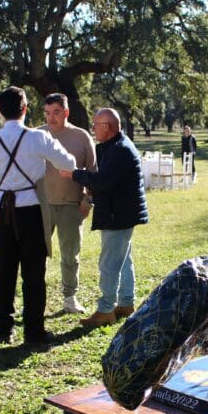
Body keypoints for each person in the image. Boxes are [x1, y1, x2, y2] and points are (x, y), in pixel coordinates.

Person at [0, 87, 76, 345]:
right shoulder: (38, 138)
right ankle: (33, 330)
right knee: (34, 274)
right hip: (32, 211)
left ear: (0, 111)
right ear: (26, 109)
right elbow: (68, 163)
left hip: (2, 209)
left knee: (3, 272)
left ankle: (4, 329)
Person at [61, 108, 148, 327]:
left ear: (107, 127)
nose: (93, 129)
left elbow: (103, 182)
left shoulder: (119, 150)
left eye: (96, 125)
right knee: (123, 259)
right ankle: (126, 303)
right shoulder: (115, 146)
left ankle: (106, 309)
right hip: (120, 213)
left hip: (117, 215)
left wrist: (74, 175)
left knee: (109, 263)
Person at [38, 93, 96, 315]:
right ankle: (37, 296)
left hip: (72, 206)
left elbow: (93, 173)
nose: (51, 118)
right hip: (41, 206)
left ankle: (70, 297)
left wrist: (87, 202)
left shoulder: (81, 137)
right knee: (37, 253)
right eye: (48, 113)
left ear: (66, 112)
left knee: (70, 255)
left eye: (56, 113)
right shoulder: (37, 135)